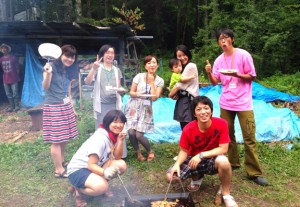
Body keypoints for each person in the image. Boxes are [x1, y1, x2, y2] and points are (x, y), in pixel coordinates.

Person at [205, 28, 268, 186]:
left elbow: (252, 76)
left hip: (243, 103)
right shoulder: (219, 60)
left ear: (232, 39)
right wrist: (208, 73)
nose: (223, 41)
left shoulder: (243, 55)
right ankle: (233, 163)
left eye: (226, 38)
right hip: (226, 102)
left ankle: (254, 172)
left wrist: (237, 75)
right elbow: (214, 82)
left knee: (249, 137)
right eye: (220, 39)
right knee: (227, 135)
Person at [166, 96, 238, 207]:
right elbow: (184, 151)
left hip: (212, 159)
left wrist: (202, 155)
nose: (203, 112)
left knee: (224, 161)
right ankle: (197, 176)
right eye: (199, 109)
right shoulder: (188, 129)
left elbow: (223, 148)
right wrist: (177, 164)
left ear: (211, 111)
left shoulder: (221, 124)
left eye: (206, 108)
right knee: (171, 176)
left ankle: (226, 194)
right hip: (193, 160)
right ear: (194, 114)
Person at [67, 110, 127, 207]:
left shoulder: (112, 136)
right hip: (78, 170)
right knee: (101, 187)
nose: (119, 125)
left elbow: (117, 157)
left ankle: (95, 183)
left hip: (94, 166)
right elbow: (90, 165)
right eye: (115, 122)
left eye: (121, 122)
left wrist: (120, 141)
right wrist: (105, 172)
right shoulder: (100, 139)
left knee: (121, 165)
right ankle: (78, 190)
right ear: (108, 123)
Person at [42, 44, 79, 179]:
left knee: (64, 137)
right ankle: (58, 170)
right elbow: (45, 87)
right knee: (56, 140)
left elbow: (68, 90)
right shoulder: (51, 68)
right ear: (60, 55)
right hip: (54, 107)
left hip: (65, 106)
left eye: (72, 57)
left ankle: (62, 161)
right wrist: (47, 73)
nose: (69, 59)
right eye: (67, 56)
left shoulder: (67, 70)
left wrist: (72, 108)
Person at [124, 55, 164, 161]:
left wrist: (151, 83)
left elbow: (155, 97)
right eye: (149, 63)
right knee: (131, 132)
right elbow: (131, 92)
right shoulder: (139, 76)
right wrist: (138, 94)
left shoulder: (159, 81)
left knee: (139, 135)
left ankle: (150, 151)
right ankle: (138, 152)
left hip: (146, 108)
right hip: (133, 106)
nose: (152, 65)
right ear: (145, 66)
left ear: (157, 65)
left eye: (154, 62)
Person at [84, 44, 125, 130]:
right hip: (101, 106)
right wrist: (93, 68)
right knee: (102, 130)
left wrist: (121, 90)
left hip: (115, 105)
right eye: (107, 52)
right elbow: (87, 82)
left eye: (112, 53)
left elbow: (118, 86)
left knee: (115, 129)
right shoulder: (98, 68)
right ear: (102, 55)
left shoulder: (117, 70)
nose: (110, 55)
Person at [168, 45, 199, 130]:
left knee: (188, 128)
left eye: (184, 55)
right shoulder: (180, 70)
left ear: (188, 54)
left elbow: (179, 85)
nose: (182, 58)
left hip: (188, 101)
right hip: (184, 100)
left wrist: (170, 94)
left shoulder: (190, 66)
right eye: (179, 56)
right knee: (187, 129)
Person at [0, 43, 20, 112]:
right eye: (2, 48)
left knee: (15, 94)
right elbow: (2, 69)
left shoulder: (13, 58)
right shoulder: (1, 59)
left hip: (14, 78)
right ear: (1, 50)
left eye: (5, 48)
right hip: (5, 79)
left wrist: (17, 76)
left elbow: (17, 68)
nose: (4, 49)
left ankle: (17, 106)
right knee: (8, 94)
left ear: (8, 49)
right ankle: (12, 107)